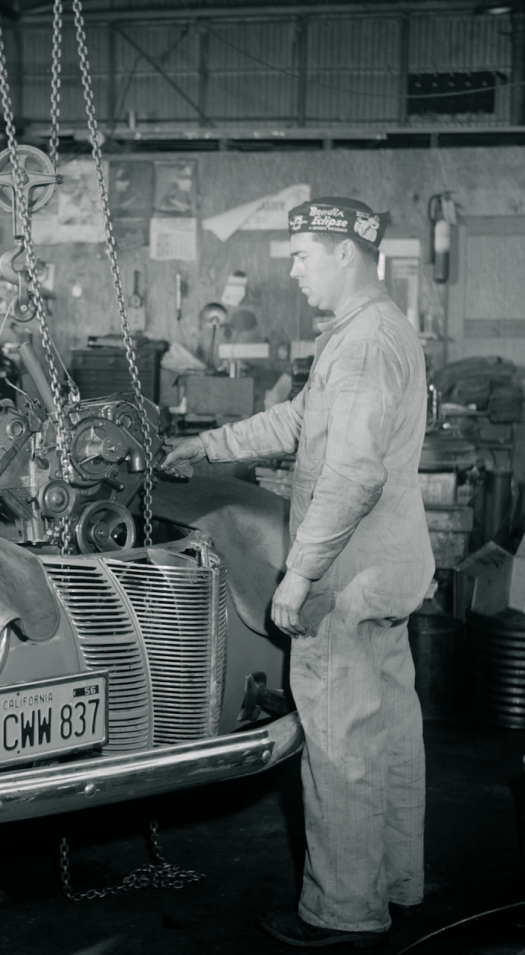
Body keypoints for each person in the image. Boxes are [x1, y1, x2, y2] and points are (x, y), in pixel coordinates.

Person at [162, 197, 434, 948]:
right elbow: (299, 419)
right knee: (389, 731)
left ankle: (343, 910)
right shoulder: (370, 332)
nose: (293, 268)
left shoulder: (364, 342)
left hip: (344, 577)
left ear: (344, 253)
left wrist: (296, 574)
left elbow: (349, 474)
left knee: (340, 741)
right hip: (384, 569)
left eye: (302, 255)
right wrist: (208, 445)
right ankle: (397, 882)